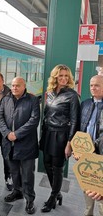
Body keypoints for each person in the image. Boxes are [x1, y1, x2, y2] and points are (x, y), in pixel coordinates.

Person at [39, 64, 80, 213]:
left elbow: (75, 121)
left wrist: (70, 143)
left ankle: (52, 197)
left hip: (61, 135)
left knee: (57, 168)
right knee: (47, 164)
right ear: (55, 76)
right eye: (60, 75)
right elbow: (46, 114)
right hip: (48, 133)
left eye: (66, 76)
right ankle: (58, 193)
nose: (63, 78)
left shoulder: (72, 95)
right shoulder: (49, 93)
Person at [0, 77, 40, 215]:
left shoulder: (32, 100)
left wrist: (16, 134)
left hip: (26, 144)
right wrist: (7, 133)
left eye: (18, 85)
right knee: (14, 171)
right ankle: (17, 191)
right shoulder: (6, 99)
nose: (14, 88)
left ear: (24, 86)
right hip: (9, 143)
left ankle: (29, 199)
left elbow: (34, 120)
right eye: (13, 85)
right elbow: (0, 118)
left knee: (27, 174)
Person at [76, 75, 103, 216]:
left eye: (97, 85)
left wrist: (94, 144)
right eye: (91, 85)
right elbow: (81, 129)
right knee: (87, 188)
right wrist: (77, 148)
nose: (93, 88)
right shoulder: (85, 104)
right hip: (86, 156)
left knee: (100, 192)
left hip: (100, 156)